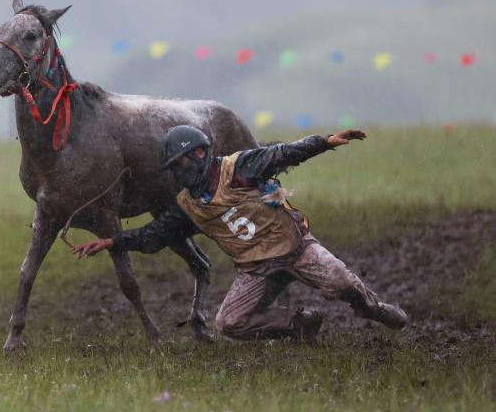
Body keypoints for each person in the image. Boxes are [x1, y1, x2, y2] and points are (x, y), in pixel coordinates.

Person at [71, 125, 408, 342]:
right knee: (230, 323)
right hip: (256, 270)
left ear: (199, 153)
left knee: (341, 282)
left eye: (180, 164)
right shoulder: (187, 204)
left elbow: (283, 153)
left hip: (297, 249)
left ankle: (373, 308)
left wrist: (326, 142)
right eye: (172, 168)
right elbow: (154, 235)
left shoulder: (240, 167)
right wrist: (112, 241)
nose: (177, 173)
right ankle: (300, 323)